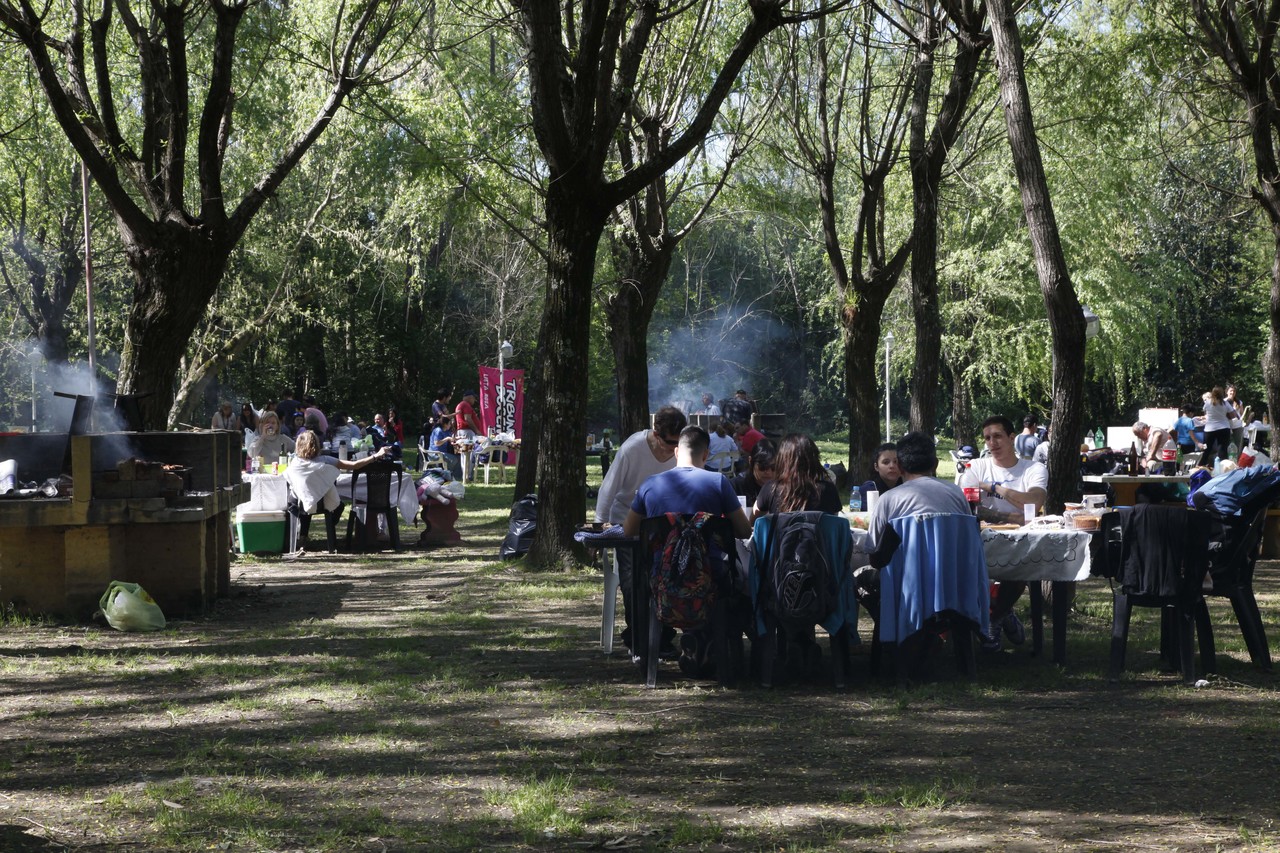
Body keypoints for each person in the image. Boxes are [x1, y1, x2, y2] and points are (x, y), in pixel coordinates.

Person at [594, 405, 688, 655]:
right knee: (632, 577)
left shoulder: (681, 451)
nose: (675, 449)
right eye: (670, 443)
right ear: (656, 434)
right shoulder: (633, 448)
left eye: (679, 442)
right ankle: (639, 637)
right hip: (626, 521)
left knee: (671, 574)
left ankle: (663, 635)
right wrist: (599, 526)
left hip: (663, 524)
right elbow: (608, 489)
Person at [958, 415, 1048, 651]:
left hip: (1019, 541)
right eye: (987, 438)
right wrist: (1014, 514)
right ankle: (1003, 613)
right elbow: (968, 508)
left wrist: (994, 488)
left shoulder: (1033, 468)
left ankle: (994, 619)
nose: (992, 443)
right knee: (961, 569)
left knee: (1021, 566)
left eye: (997, 436)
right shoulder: (976, 466)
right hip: (980, 539)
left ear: (1011, 437)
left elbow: (1034, 504)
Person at [753, 434, 842, 519]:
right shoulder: (828, 489)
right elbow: (833, 522)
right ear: (815, 460)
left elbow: (754, 520)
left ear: (782, 460)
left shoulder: (771, 488)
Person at [1202, 386, 1242, 465]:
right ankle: (1223, 467)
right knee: (1222, 450)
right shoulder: (1225, 403)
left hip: (1210, 429)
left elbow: (1205, 412)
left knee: (1206, 449)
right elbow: (1233, 415)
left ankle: (1202, 465)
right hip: (1223, 428)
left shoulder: (1208, 402)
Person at [730, 442, 775, 507]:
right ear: (751, 462)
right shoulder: (736, 486)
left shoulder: (781, 488)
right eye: (763, 466)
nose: (768, 472)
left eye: (773, 467)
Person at [427, 414, 464, 480]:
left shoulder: (446, 431)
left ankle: (457, 477)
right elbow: (437, 443)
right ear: (445, 424)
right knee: (454, 459)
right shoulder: (438, 430)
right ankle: (447, 474)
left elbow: (451, 438)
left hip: (442, 453)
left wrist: (459, 438)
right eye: (449, 424)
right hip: (435, 454)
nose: (450, 425)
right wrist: (447, 439)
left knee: (459, 458)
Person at [1226, 384, 1247, 451]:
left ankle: (1238, 457)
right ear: (1227, 392)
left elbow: (1242, 414)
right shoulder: (1223, 401)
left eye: (1234, 391)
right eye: (1231, 391)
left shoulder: (1239, 402)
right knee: (1227, 444)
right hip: (1227, 425)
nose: (1232, 392)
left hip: (1238, 425)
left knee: (1238, 444)